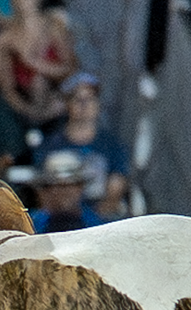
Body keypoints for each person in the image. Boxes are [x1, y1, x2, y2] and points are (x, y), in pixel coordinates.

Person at [42, 72, 131, 215]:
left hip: (100, 220)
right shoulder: (50, 145)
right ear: (67, 104)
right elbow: (43, 192)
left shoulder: (113, 145)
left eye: (90, 98)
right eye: (77, 99)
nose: (84, 105)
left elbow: (116, 189)